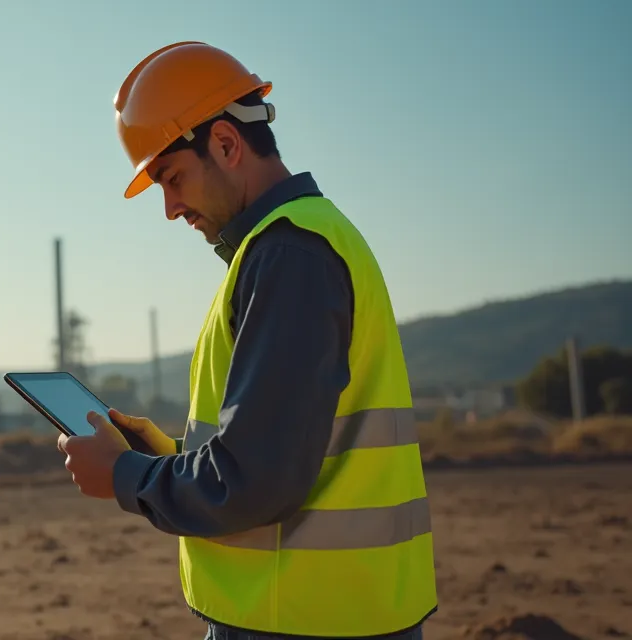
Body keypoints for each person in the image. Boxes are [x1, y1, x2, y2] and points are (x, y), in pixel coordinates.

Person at [56, 41, 438, 639]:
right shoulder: (302, 242)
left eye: (172, 177)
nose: (169, 208)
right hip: (332, 612)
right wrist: (169, 456)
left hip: (297, 617)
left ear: (227, 145)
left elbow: (253, 482)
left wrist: (125, 476)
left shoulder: (288, 255)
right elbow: (287, 448)